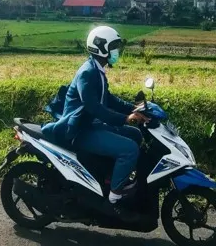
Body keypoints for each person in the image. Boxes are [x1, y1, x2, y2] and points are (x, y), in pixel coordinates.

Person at [42, 25, 149, 221]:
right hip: (80, 130)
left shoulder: (97, 70)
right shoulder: (87, 73)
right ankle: (113, 199)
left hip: (92, 124)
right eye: (114, 46)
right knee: (129, 149)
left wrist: (133, 109)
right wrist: (125, 118)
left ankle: (112, 178)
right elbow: (94, 108)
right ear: (101, 47)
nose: (117, 51)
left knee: (136, 135)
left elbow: (108, 99)